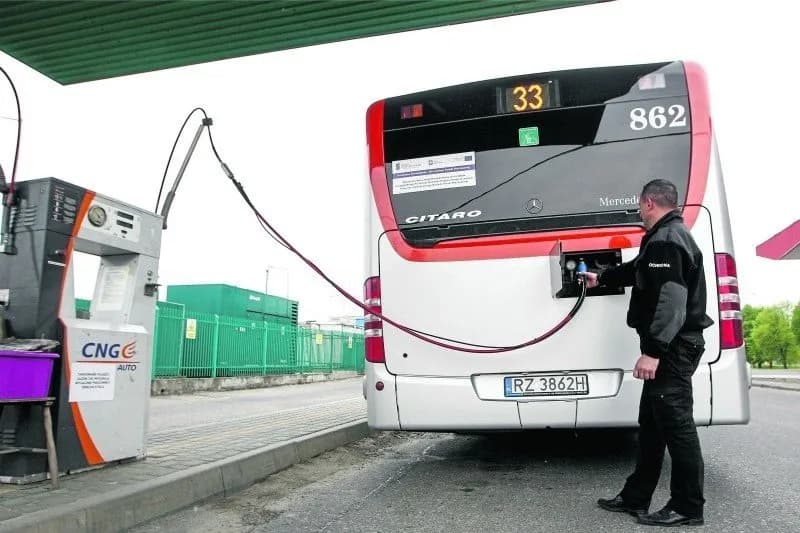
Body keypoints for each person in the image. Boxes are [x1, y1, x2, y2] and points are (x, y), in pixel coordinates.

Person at [582, 178, 713, 527]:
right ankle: (636, 496)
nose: (639, 211)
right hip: (673, 345)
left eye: (640, 205)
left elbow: (671, 301)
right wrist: (603, 276)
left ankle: (687, 506)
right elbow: (640, 271)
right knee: (652, 426)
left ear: (650, 202)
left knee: (677, 427)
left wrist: (653, 352)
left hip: (671, 348)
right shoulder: (665, 238)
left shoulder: (667, 240)